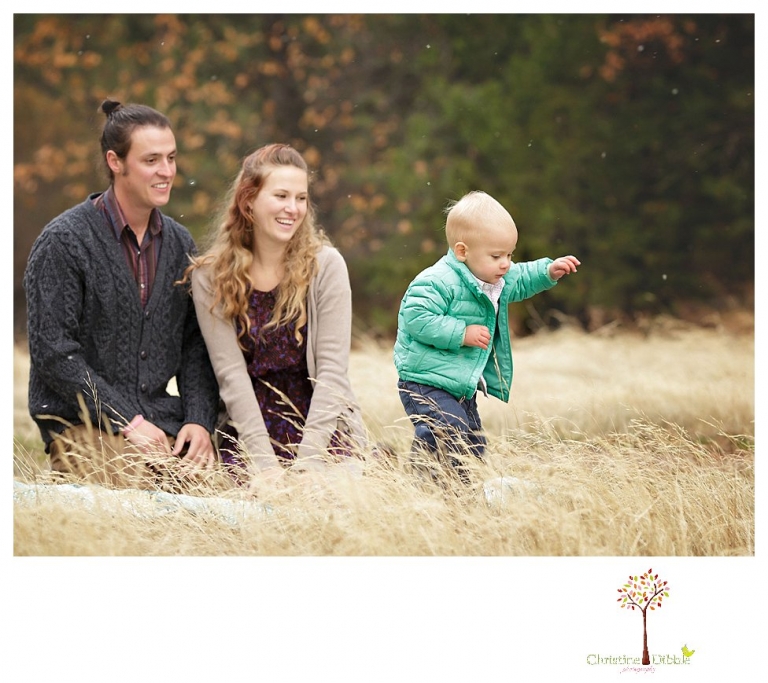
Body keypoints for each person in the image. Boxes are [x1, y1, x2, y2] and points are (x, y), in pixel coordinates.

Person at [23, 99, 219, 488]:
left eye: (172, 158)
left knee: (226, 492)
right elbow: (54, 353)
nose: (166, 172)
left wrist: (198, 420)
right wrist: (127, 421)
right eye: (151, 161)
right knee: (147, 498)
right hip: (81, 428)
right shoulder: (64, 242)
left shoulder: (180, 244)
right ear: (116, 162)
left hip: (162, 424)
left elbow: (195, 345)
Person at [186, 143, 367, 482]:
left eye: (301, 198)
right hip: (250, 431)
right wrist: (265, 467)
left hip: (320, 426)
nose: (293, 209)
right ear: (249, 200)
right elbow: (231, 377)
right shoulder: (210, 276)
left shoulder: (326, 266)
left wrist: (309, 463)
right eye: (281, 196)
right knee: (255, 505)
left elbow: (332, 373)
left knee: (333, 496)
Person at [394, 190, 580, 481]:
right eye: (496, 256)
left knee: (473, 445)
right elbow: (416, 318)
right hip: (424, 380)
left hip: (459, 384)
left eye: (509, 254)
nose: (505, 263)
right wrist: (461, 333)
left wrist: (548, 271)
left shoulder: (491, 278)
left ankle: (458, 495)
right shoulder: (437, 281)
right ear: (462, 251)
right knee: (446, 427)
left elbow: (520, 277)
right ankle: (420, 480)